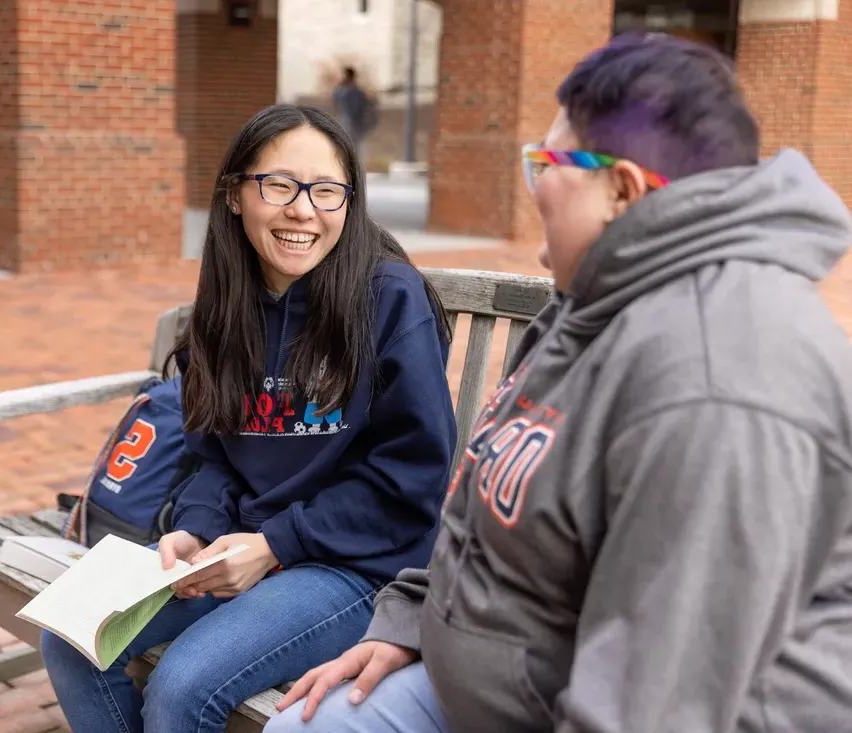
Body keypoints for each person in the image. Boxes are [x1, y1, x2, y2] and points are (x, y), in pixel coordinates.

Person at [269, 32, 852, 733]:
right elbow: (480, 505)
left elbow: (655, 703)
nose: (533, 181)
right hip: (493, 678)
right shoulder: (594, 304)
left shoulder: (720, 381)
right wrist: (406, 623)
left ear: (622, 190)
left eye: (545, 162)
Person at [40, 103, 458, 733]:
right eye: (279, 185)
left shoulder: (387, 299)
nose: (303, 210)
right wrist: (194, 527)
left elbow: (413, 479)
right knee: (71, 638)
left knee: (182, 688)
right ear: (236, 195)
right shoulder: (226, 303)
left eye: (326, 190)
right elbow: (210, 451)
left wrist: (275, 544)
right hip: (239, 547)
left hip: (355, 566)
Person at [332, 67, 374, 154]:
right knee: (348, 151)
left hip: (354, 126)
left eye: (344, 76)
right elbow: (335, 98)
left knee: (353, 151)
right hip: (347, 125)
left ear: (348, 77)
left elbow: (356, 110)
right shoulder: (345, 90)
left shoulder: (355, 92)